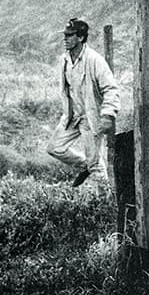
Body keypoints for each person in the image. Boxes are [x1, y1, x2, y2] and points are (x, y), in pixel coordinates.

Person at [46, 18, 120, 186]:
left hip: (90, 117)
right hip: (72, 116)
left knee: (96, 165)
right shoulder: (64, 60)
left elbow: (111, 88)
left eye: (69, 35)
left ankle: (103, 204)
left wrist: (108, 114)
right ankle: (85, 166)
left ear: (80, 38)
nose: (65, 39)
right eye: (64, 35)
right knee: (54, 148)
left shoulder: (94, 60)